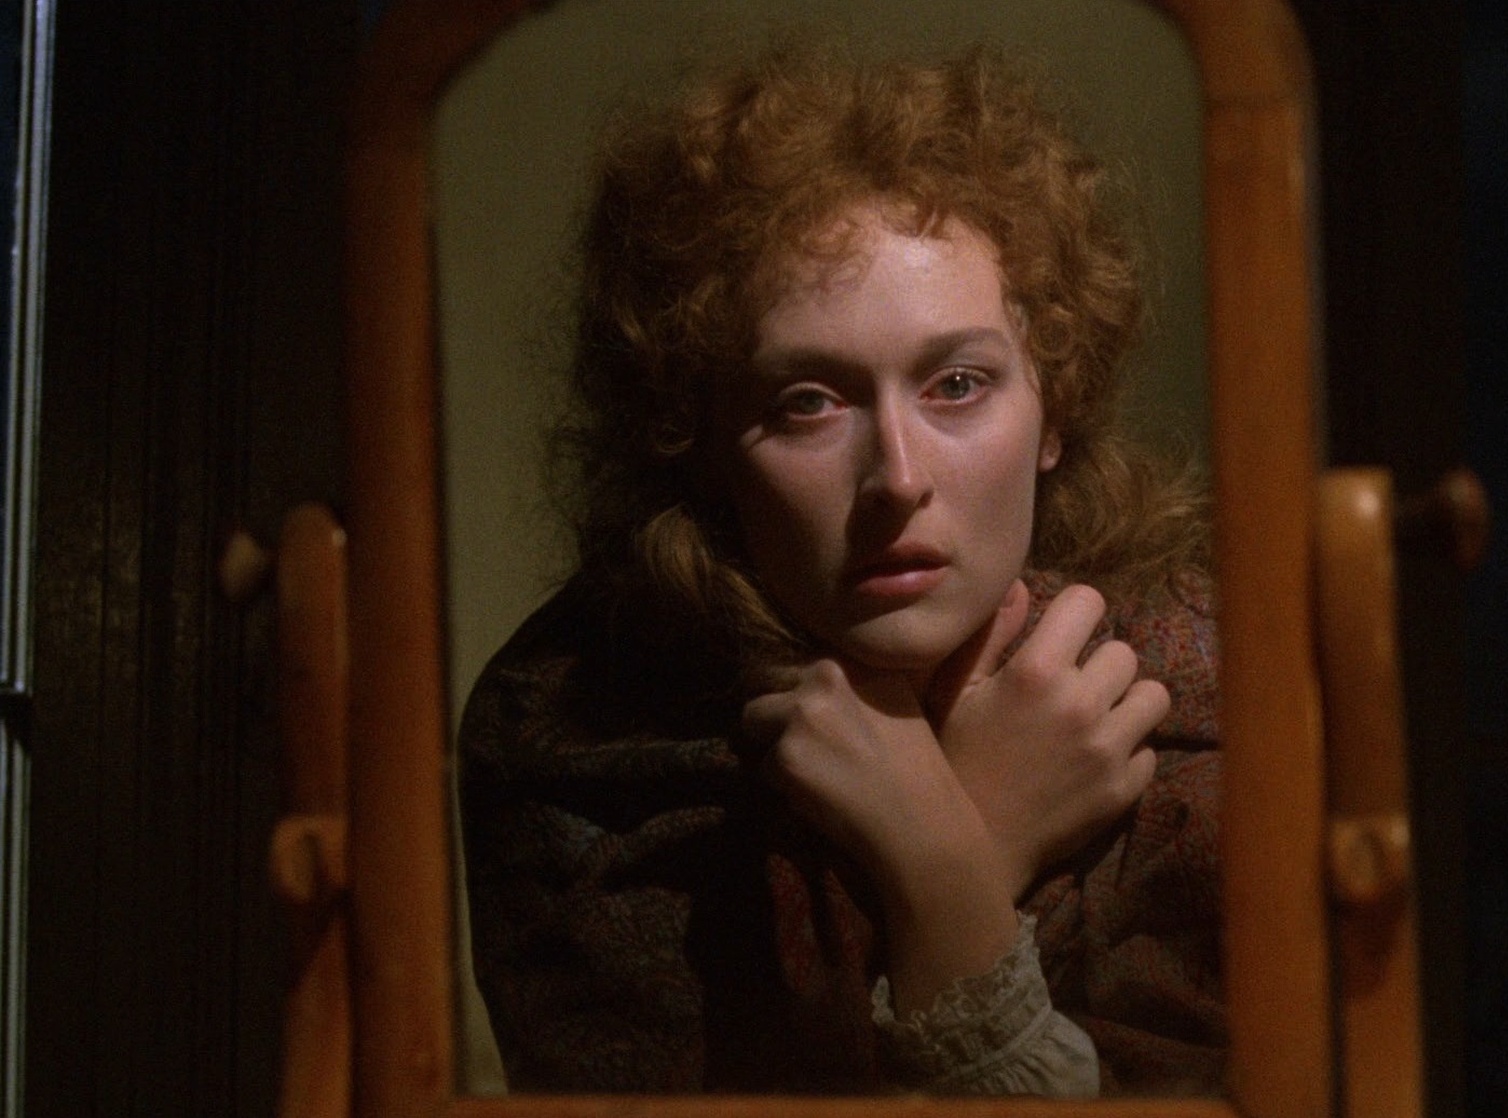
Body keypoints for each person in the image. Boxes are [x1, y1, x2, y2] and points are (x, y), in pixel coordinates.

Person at [459, 44, 1222, 1097]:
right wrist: (958, 850)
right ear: (701, 439)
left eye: (958, 384)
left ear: (1055, 410)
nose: (897, 478)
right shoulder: (575, 729)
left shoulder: (1194, 685)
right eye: (807, 403)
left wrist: (935, 857)